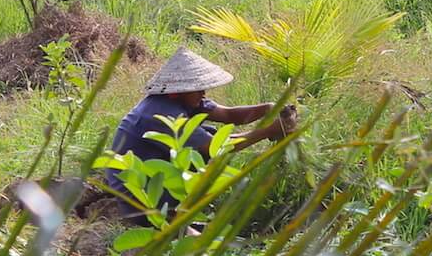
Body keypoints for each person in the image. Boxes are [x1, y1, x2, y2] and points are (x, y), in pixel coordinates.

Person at [101, 47, 295, 222]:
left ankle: (181, 214)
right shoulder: (162, 115)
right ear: (180, 90)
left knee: (203, 138)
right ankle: (172, 218)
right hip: (139, 199)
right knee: (203, 144)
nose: (203, 93)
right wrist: (270, 131)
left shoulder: (184, 101)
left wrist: (269, 108)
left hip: (150, 180)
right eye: (198, 89)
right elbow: (218, 147)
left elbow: (230, 115)